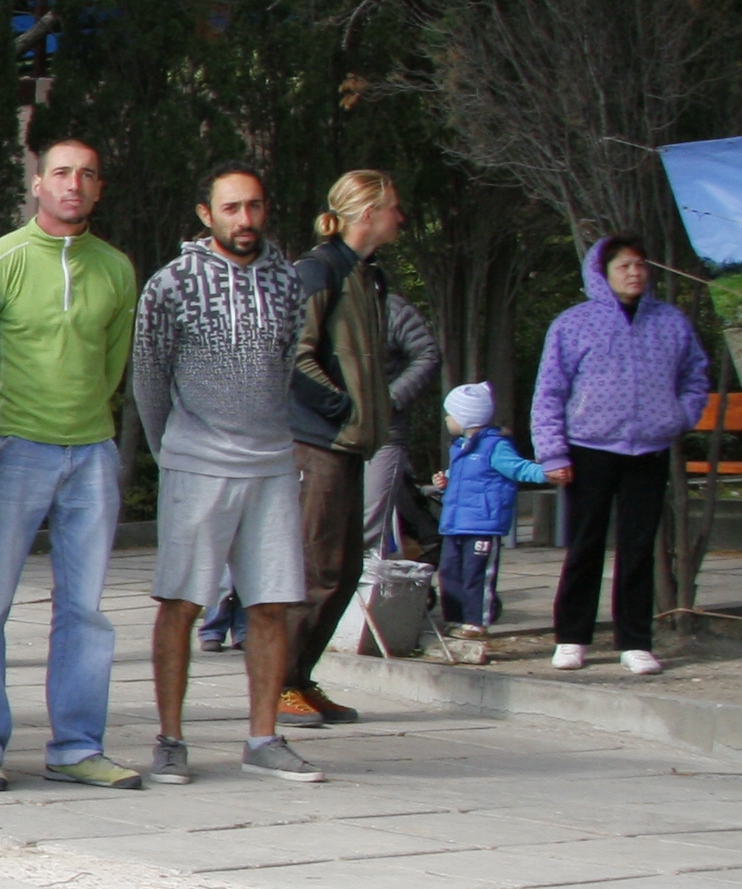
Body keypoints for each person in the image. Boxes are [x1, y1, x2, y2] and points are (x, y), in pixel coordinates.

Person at [0, 134, 142, 790]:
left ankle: (77, 746)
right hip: (13, 448)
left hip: (91, 450)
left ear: (99, 188)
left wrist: (86, 423)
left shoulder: (117, 269)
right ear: (37, 183)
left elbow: (113, 362)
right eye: (61, 172)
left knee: (85, 609)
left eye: (88, 175)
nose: (74, 185)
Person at [131, 162, 319, 784]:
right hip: (196, 461)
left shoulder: (287, 282)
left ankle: (264, 738)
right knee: (181, 601)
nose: (246, 220)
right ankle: (170, 739)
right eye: (233, 208)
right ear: (206, 215)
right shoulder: (172, 284)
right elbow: (150, 377)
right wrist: (172, 451)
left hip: (269, 461)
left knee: (271, 603)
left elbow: (289, 360)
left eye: (255, 207)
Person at [530, 233, 712, 675]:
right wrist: (552, 452)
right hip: (589, 448)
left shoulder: (671, 322)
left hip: (647, 449)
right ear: (602, 272)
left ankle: (635, 640)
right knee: (585, 544)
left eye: (639, 265)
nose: (634, 272)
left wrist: (678, 416)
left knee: (638, 546)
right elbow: (549, 391)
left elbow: (695, 376)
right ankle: (572, 637)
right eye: (624, 266)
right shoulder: (574, 324)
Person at [281, 169, 406, 724]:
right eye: (393, 207)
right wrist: (340, 407)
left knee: (346, 568)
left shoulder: (368, 276)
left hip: (352, 444)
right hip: (318, 443)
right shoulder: (319, 270)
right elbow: (292, 352)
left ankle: (301, 678)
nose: (401, 217)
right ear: (367, 212)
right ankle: (278, 684)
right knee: (316, 569)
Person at [428, 381, 547, 637]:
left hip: (482, 524)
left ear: (465, 418)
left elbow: (519, 468)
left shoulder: (495, 446)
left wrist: (547, 473)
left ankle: (476, 622)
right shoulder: (459, 447)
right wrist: (446, 480)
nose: (447, 419)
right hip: (455, 523)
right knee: (449, 572)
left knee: (476, 574)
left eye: (450, 414)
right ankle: (455, 617)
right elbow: (465, 476)